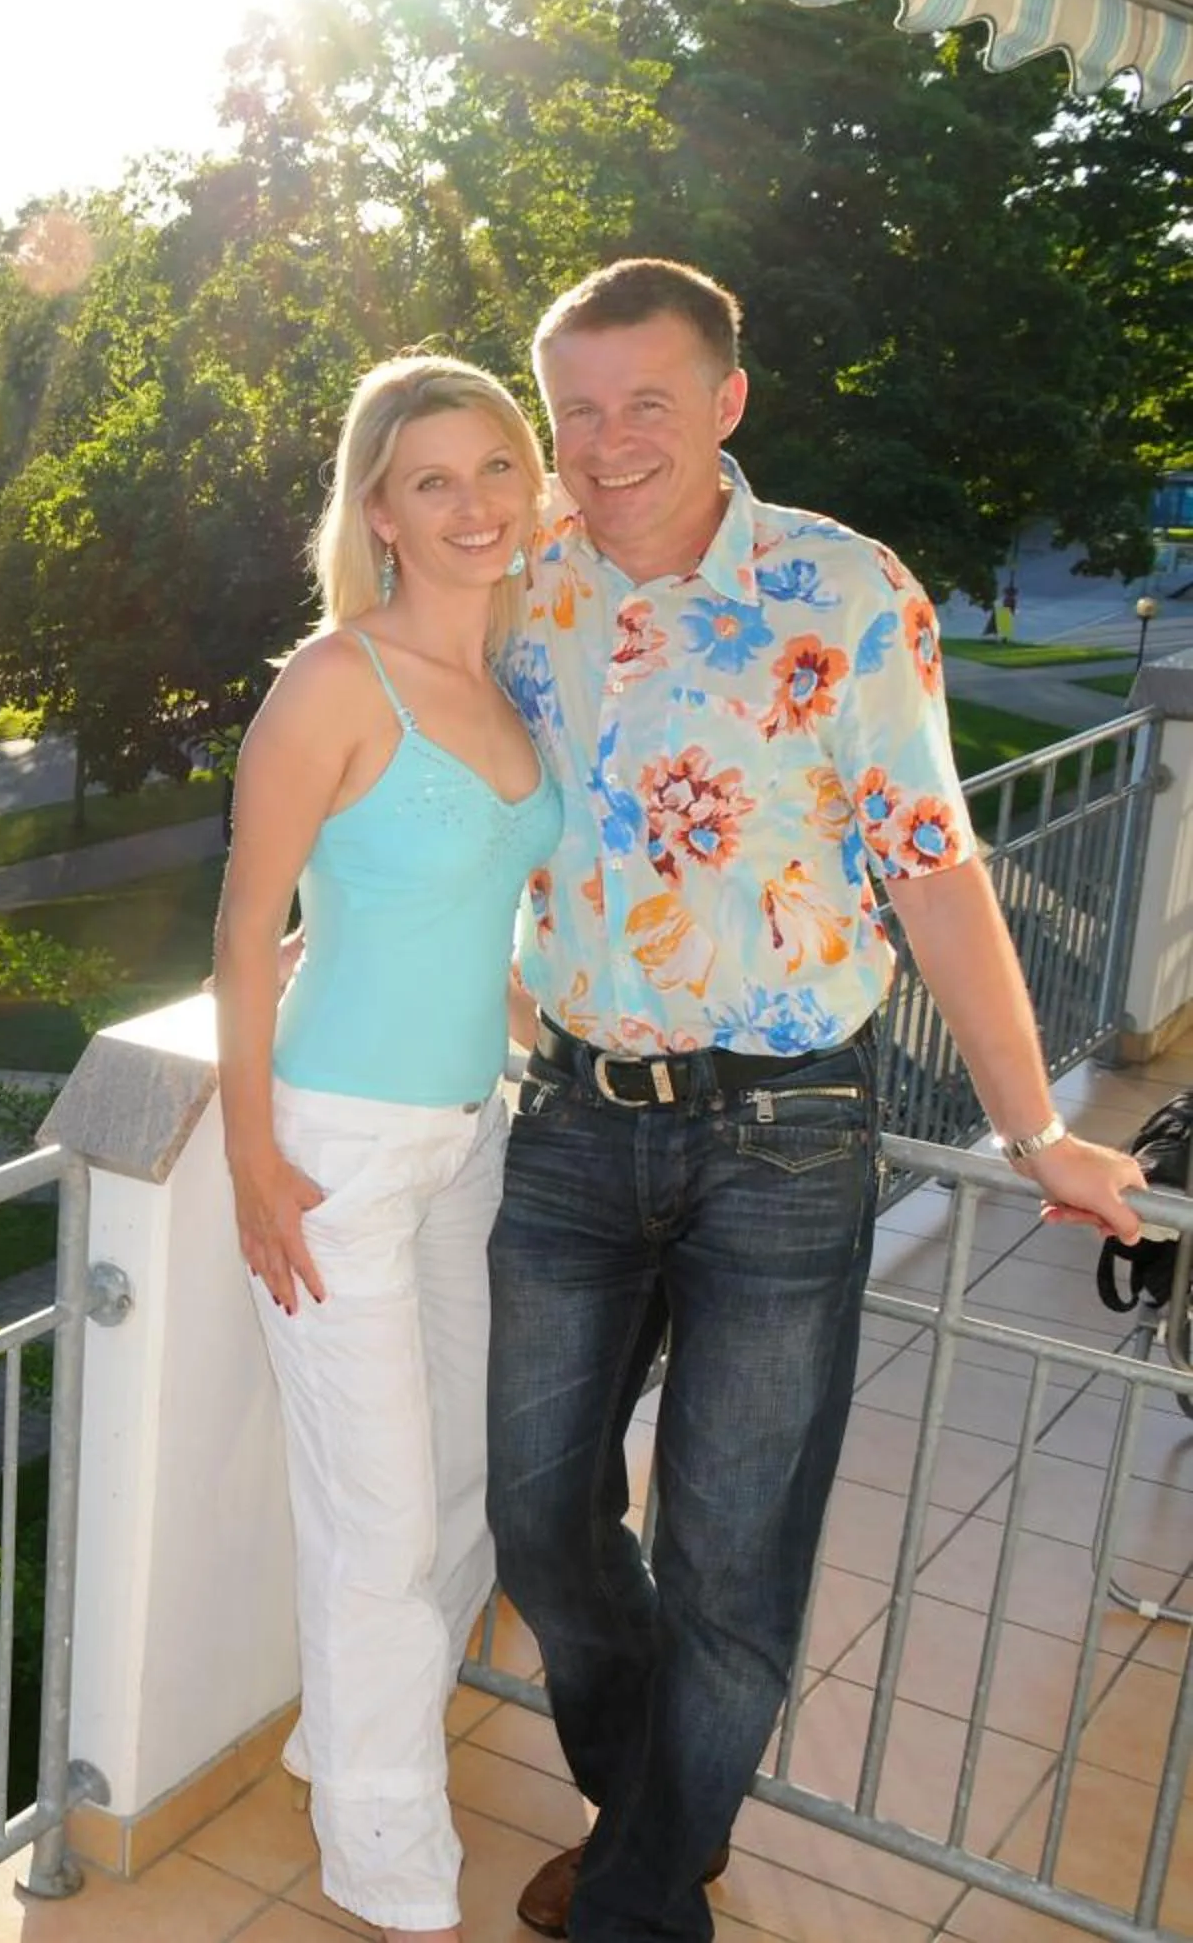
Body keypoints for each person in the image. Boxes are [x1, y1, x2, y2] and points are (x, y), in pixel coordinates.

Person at [485, 258, 1149, 1942]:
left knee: (732, 1557)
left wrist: (1033, 1129)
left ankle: (642, 1895)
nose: (609, 439)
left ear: (726, 402)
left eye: (649, 400)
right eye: (577, 407)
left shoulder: (846, 592)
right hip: (569, 1124)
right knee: (539, 1515)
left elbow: (934, 871)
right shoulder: (523, 595)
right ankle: (655, 1818)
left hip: (786, 1135)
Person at [215, 354, 563, 1943]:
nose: (475, 503)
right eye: (435, 479)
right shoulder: (330, 682)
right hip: (335, 1148)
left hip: (464, 1137)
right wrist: (250, 1162)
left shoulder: (509, 687)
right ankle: (392, 1870)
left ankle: (337, 1747)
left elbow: (459, 901)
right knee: (374, 1522)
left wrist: (532, 1026)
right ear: (382, 511)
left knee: (458, 1490)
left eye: (497, 467)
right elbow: (244, 926)